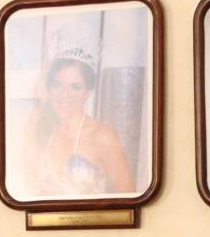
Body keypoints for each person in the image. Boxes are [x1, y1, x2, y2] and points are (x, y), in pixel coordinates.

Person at [20, 49, 132, 199]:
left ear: (87, 93)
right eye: (58, 84)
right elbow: (27, 189)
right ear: (49, 87)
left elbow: (127, 197)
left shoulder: (103, 136)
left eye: (75, 87)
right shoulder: (39, 126)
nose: (64, 94)